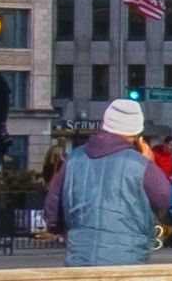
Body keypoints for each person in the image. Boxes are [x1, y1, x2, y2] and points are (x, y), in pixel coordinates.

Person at [59, 98, 165, 268]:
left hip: (80, 253)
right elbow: (163, 197)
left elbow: (54, 203)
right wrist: (149, 164)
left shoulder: (74, 158)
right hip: (128, 254)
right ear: (137, 133)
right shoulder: (140, 164)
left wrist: (60, 228)